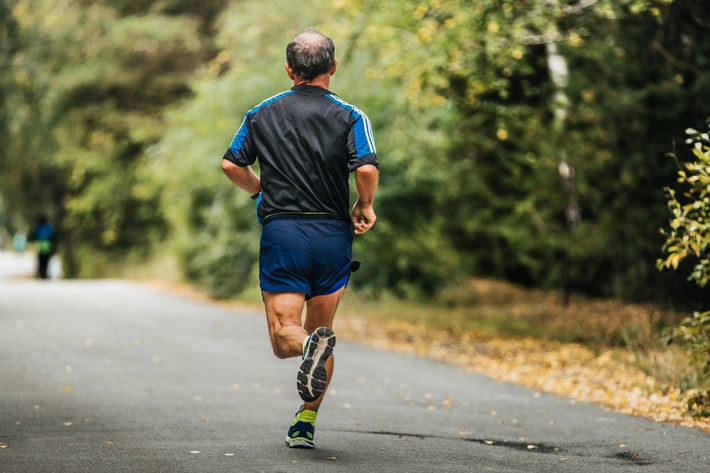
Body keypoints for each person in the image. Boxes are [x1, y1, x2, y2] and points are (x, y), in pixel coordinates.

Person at [221, 28, 379, 449]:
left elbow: (231, 164)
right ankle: (305, 420)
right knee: (323, 328)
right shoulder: (351, 115)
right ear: (333, 67)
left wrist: (259, 190)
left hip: (284, 231)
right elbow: (365, 169)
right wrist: (364, 206)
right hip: (333, 236)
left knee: (283, 336)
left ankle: (307, 344)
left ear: (289, 69)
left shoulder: (261, 113)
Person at [28, 214, 56, 279]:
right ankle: (45, 273)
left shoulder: (37, 227)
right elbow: (52, 236)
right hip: (47, 245)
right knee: (46, 260)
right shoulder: (48, 227)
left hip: (39, 245)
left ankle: (41, 273)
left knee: (40, 260)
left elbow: (33, 235)